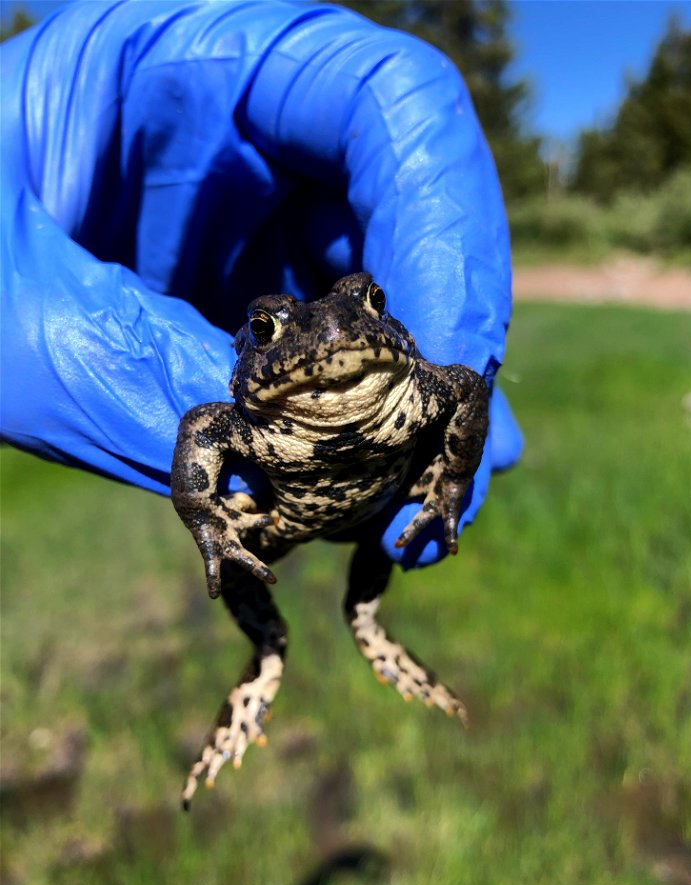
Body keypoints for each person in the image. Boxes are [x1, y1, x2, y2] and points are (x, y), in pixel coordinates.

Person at [0, 0, 521, 567]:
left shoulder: (418, 391)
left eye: (370, 302)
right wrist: (204, 515)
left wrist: (451, 480)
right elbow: (202, 423)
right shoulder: (246, 425)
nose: (333, 334)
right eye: (266, 329)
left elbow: (466, 386)